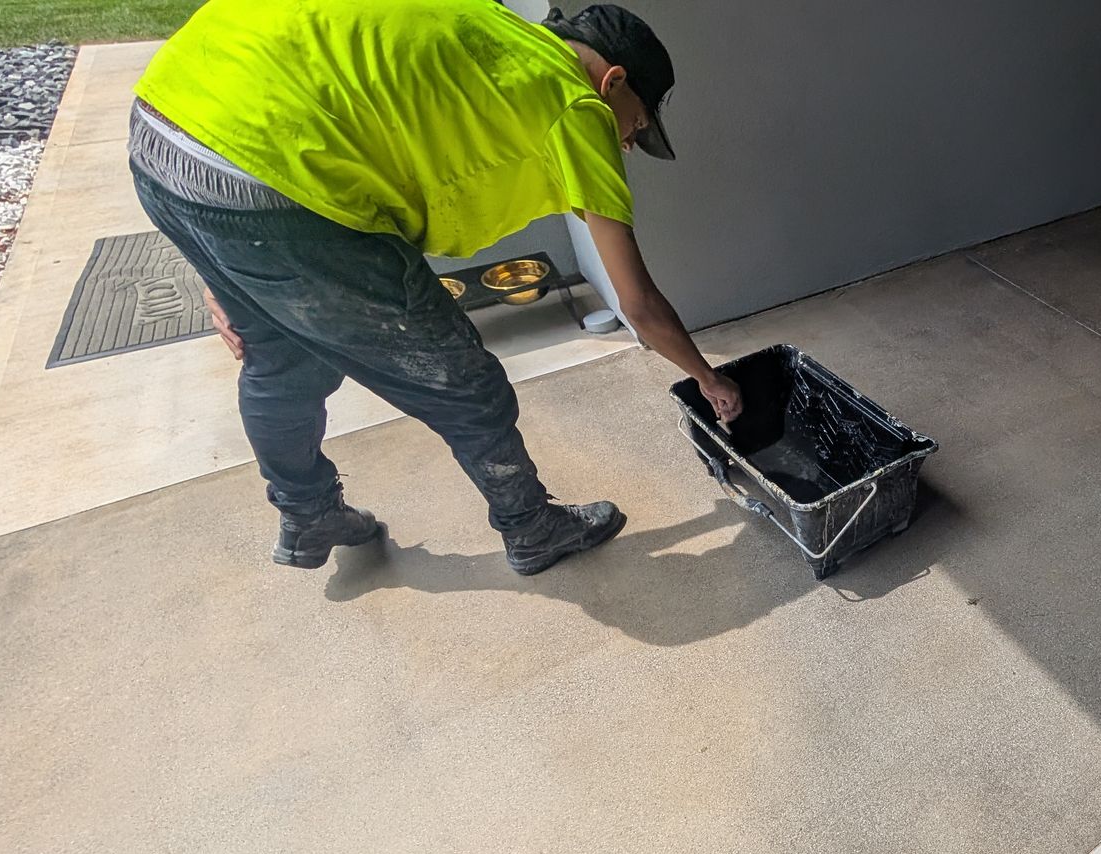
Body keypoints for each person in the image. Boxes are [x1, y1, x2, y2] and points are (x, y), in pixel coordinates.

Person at [130, 1, 743, 575]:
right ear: (611, 81)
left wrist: (216, 256)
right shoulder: (573, 100)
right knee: (460, 378)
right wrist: (708, 378)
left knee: (278, 358)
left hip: (167, 130)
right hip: (273, 176)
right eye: (634, 127)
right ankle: (531, 526)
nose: (628, 144)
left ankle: (307, 515)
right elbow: (637, 301)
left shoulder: (491, 33)